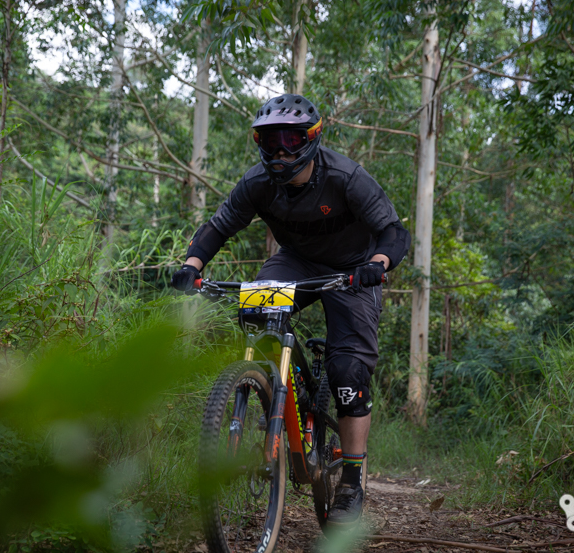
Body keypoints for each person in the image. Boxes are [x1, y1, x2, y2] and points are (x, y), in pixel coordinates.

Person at [171, 94, 411, 526]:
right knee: (254, 312)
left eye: (290, 139)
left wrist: (377, 265)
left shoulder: (345, 177)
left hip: (353, 271)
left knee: (348, 372)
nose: (279, 150)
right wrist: (192, 266)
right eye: (269, 140)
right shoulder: (257, 183)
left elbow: (393, 232)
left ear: (311, 139)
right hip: (296, 262)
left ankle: (352, 481)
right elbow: (218, 227)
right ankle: (273, 391)